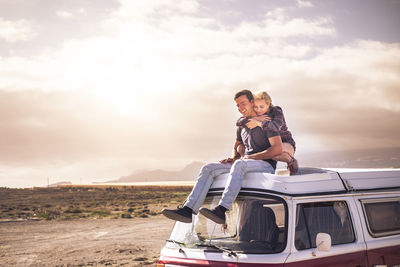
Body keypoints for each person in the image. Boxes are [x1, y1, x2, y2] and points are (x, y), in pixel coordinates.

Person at [161, 90, 283, 224]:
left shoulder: (267, 123)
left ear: (252, 102)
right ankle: (188, 210)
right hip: (245, 163)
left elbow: (277, 149)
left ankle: (222, 210)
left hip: (265, 165)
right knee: (208, 168)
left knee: (239, 164)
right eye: (237, 105)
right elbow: (237, 145)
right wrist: (234, 157)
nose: (240, 108)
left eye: (243, 103)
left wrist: (251, 157)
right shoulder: (241, 125)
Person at [236, 91, 298, 174]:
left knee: (276, 154)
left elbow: (275, 126)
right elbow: (239, 122)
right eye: (255, 107)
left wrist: (259, 123)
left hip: (285, 141)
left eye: (261, 107)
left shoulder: (276, 111)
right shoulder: (258, 116)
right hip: (271, 143)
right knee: (268, 153)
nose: (258, 110)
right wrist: (255, 119)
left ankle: (291, 161)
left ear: (268, 104)